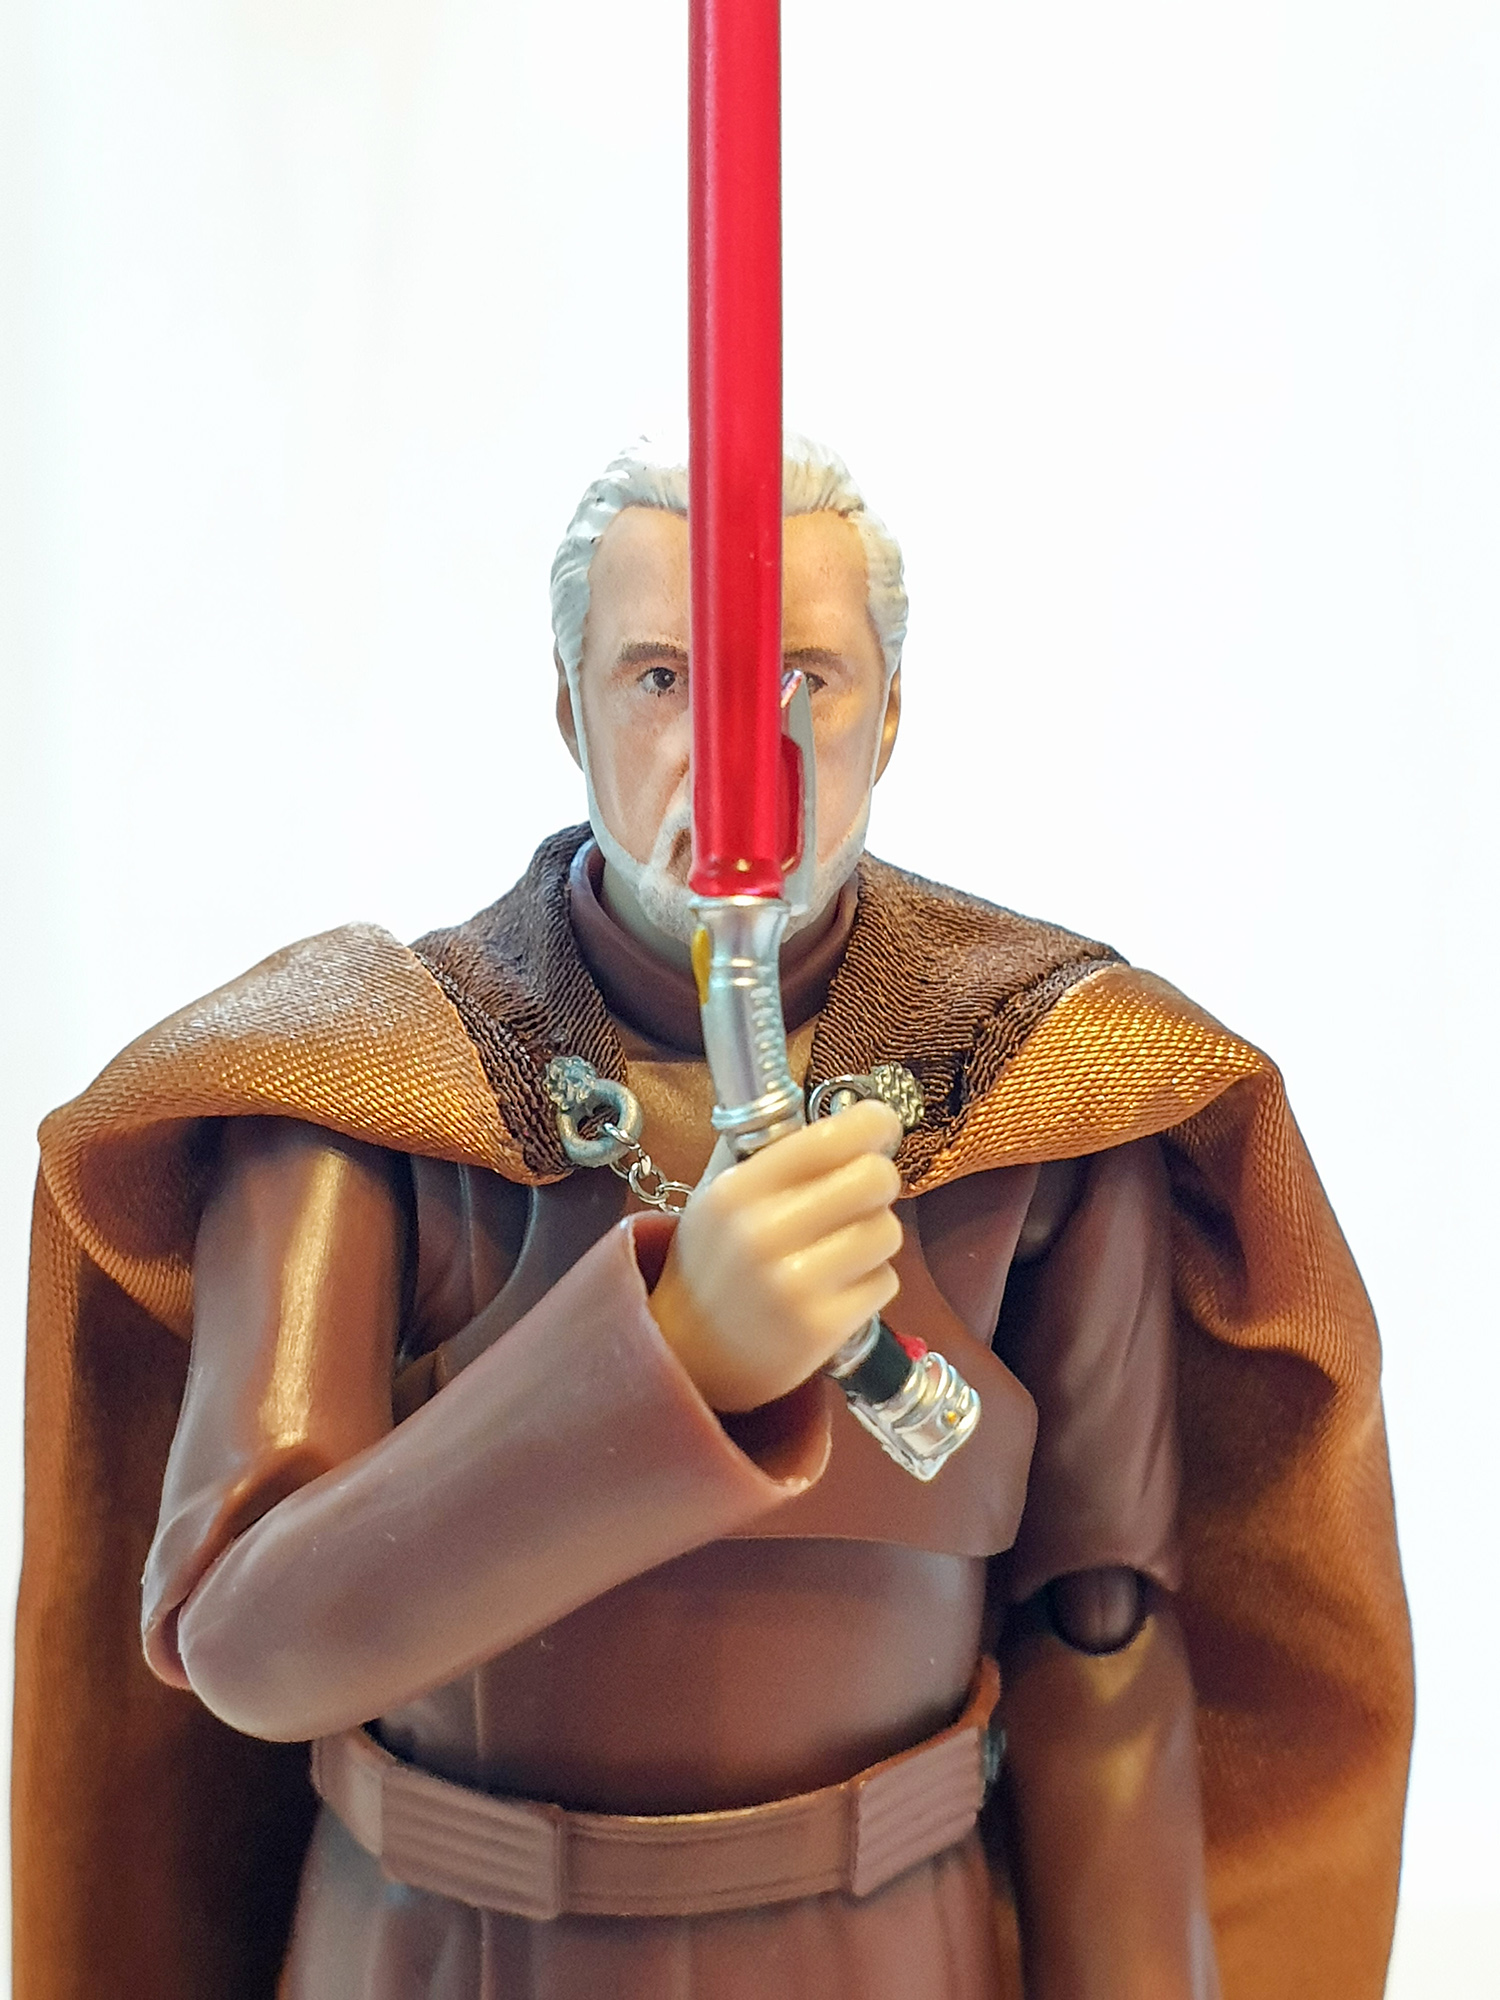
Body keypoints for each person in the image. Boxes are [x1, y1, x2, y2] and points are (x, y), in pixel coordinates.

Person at [14, 440, 1411, 2000]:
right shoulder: (371, 1082)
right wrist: (668, 1361)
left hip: (889, 1955)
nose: (742, 757)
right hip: (442, 1950)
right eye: (664, 679)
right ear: (571, 710)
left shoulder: (1036, 1080)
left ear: (891, 713)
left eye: (805, 679)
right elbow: (246, 1641)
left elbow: (1104, 1648)